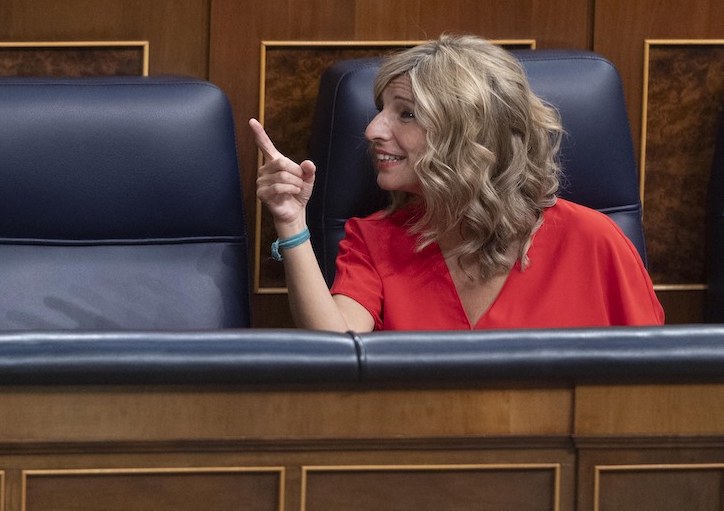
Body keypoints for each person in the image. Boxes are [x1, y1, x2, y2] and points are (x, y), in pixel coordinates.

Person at [251, 34, 664, 332]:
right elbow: (335, 349)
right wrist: (291, 222)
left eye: (406, 114)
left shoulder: (594, 241)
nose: (373, 129)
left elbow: (652, 382)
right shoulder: (375, 242)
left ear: (472, 136)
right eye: (381, 110)